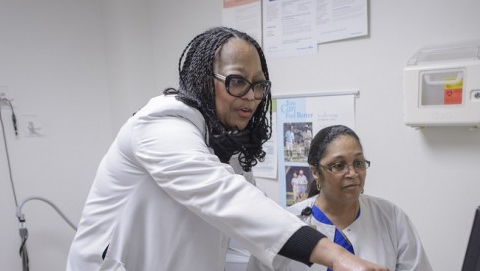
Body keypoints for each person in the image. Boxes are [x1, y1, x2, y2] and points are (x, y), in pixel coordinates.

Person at [66, 27, 389, 271]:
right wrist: (337, 256)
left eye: (259, 84)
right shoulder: (159, 126)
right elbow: (227, 197)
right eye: (237, 81)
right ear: (205, 80)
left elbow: (240, 235)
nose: (251, 96)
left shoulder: (227, 145)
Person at [248, 125, 433, 271]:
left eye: (358, 163)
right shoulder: (287, 225)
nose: (352, 173)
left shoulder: (390, 217)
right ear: (315, 172)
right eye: (339, 165)